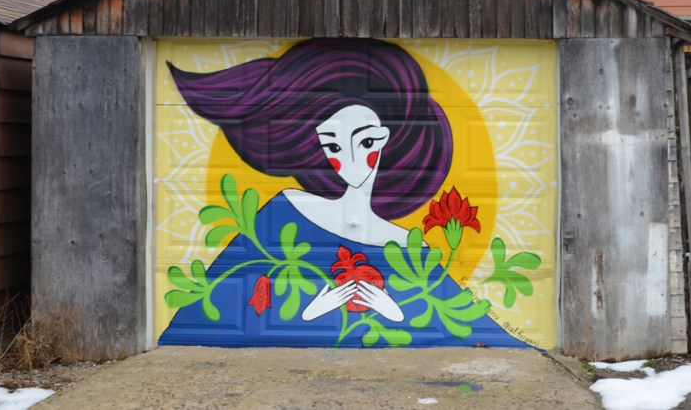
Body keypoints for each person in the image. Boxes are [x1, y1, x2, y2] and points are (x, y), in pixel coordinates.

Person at [158, 39, 526, 348]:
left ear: (389, 140)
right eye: (332, 146)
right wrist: (311, 312)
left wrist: (394, 310)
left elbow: (466, 321)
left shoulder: (410, 246)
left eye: (364, 141)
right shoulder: (284, 210)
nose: (350, 160)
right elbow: (210, 303)